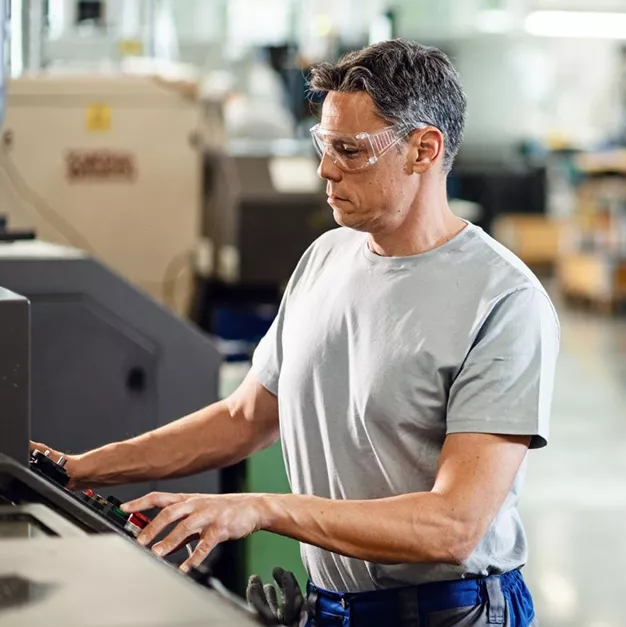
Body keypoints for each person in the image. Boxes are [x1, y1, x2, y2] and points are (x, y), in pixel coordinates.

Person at [30, 39, 559, 627]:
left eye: (350, 150)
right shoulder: (326, 257)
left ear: (423, 150)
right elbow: (246, 418)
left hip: (447, 611)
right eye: (324, 145)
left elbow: (453, 526)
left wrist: (262, 508)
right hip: (330, 607)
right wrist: (83, 469)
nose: (325, 169)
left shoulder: (503, 301)